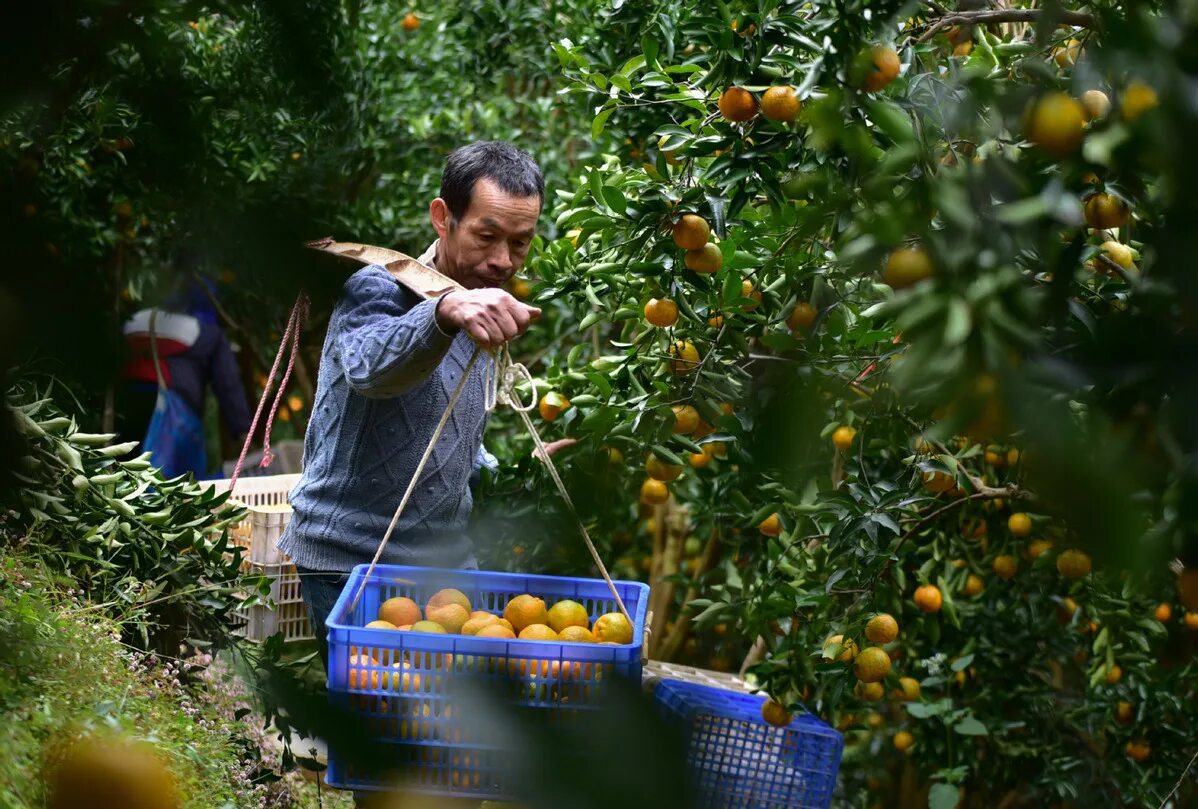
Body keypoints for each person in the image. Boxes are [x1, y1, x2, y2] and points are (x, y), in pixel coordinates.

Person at [280, 141, 573, 663]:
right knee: (382, 719)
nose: (502, 260)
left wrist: (511, 470)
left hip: (446, 563)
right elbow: (371, 371)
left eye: (521, 243)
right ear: (444, 217)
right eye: (487, 237)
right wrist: (444, 312)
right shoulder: (376, 290)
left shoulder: (483, 306)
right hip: (352, 559)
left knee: (455, 727)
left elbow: (444, 432)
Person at [118, 278, 252, 478]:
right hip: (171, 410)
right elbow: (228, 384)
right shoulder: (206, 333)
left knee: (126, 477)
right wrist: (243, 431)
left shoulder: (133, 320)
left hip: (125, 406)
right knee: (177, 484)